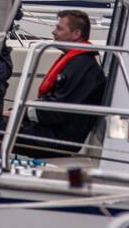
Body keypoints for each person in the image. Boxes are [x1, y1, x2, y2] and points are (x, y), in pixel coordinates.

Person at [16, 10, 106, 156]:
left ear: (76, 34)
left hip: (58, 139)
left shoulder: (82, 67)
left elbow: (55, 112)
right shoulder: (78, 63)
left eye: (59, 28)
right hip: (51, 131)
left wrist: (21, 113)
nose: (53, 32)